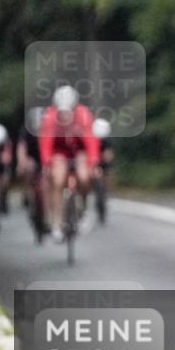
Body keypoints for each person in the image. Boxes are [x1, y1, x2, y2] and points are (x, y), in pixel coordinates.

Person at [39, 86, 100, 241]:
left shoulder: (83, 115)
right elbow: (45, 143)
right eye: (61, 111)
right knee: (58, 181)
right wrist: (47, 164)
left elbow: (91, 141)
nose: (64, 115)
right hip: (59, 152)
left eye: (68, 111)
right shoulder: (49, 117)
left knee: (84, 176)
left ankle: (84, 208)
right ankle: (57, 223)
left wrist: (93, 162)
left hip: (78, 150)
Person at [16, 108, 46, 239]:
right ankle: (28, 193)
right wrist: (22, 163)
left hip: (45, 159)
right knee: (28, 169)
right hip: (32, 159)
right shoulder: (26, 131)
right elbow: (21, 148)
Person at [0, 124, 11, 215]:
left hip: (3, 165)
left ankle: (4, 200)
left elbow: (7, 159)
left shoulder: (6, 144)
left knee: (5, 181)